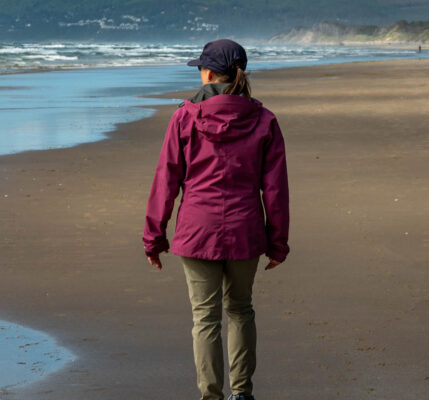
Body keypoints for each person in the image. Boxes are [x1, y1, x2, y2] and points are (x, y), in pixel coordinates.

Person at [142, 39, 290, 400]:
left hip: (197, 230)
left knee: (205, 318)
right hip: (246, 230)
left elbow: (167, 180)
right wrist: (278, 242)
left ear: (207, 73)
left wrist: (154, 236)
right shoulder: (264, 119)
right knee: (240, 310)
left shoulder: (184, 116)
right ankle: (242, 393)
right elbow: (275, 189)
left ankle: (211, 395)